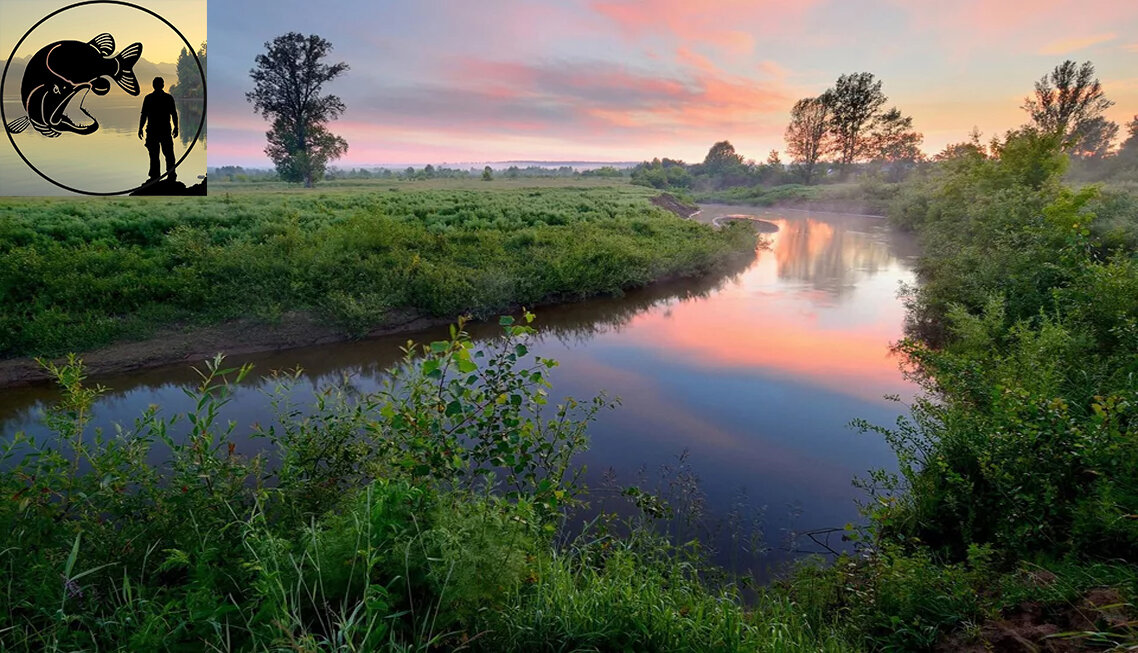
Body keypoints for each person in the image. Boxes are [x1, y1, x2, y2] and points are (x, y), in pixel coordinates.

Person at [137, 77, 178, 181]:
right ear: (163, 85)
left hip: (153, 131)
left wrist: (140, 128)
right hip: (163, 131)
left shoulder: (148, 98)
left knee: (155, 156)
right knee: (168, 155)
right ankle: (171, 175)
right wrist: (176, 128)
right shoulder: (168, 98)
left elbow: (143, 115)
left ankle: (156, 176)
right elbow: (174, 114)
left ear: (153, 85)